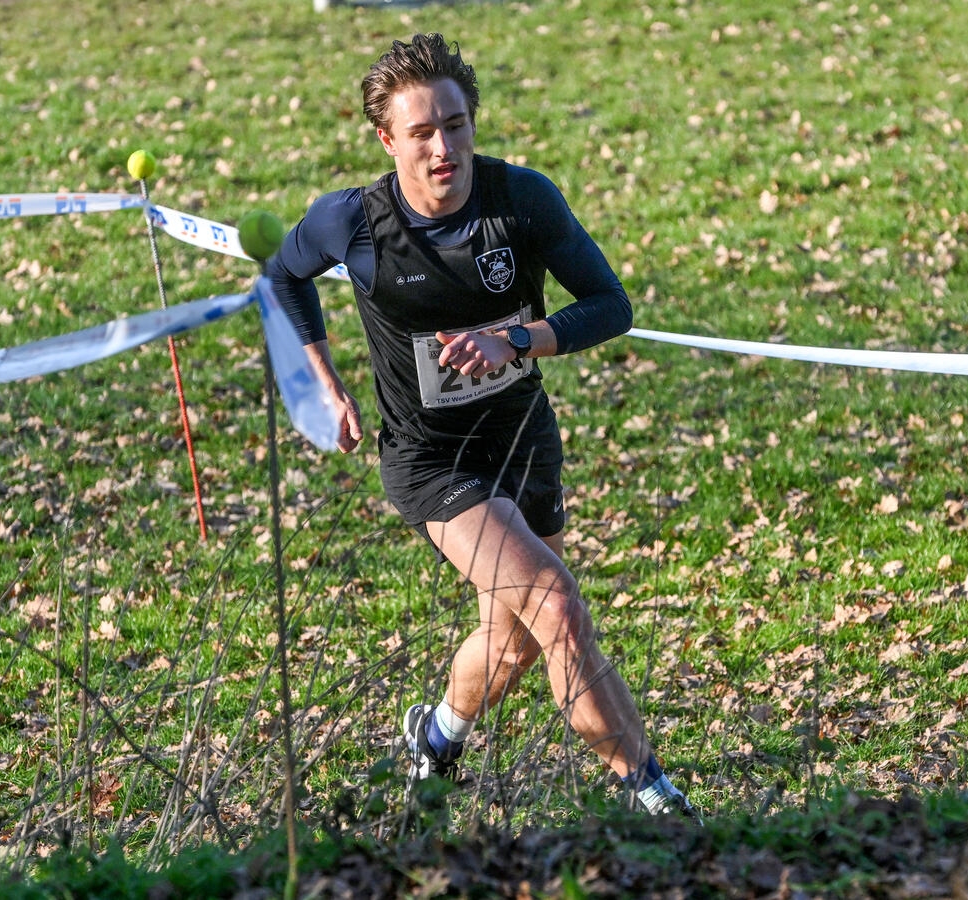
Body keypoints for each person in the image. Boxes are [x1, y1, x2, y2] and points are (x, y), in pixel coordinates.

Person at [266, 32, 698, 821]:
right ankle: (656, 796)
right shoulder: (352, 223)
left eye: (456, 126)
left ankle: (435, 739)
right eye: (423, 132)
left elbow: (612, 306)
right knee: (557, 606)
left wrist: (518, 340)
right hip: (432, 462)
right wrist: (324, 385)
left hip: (524, 437)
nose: (444, 148)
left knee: (516, 640)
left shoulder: (521, 199)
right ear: (386, 139)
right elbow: (282, 273)